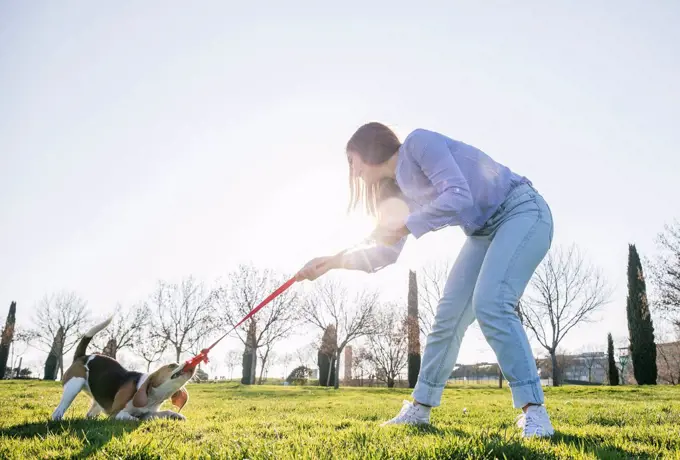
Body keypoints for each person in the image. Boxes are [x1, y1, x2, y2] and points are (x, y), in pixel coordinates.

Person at [295, 122, 556, 438]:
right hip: (482, 231)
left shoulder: (418, 144)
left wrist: (404, 226)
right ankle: (420, 409)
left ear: (368, 150)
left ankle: (536, 413)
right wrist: (333, 263)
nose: (354, 172)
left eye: (352, 161)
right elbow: (385, 255)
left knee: (491, 303)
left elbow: (458, 195)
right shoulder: (398, 192)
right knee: (448, 317)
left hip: (521, 210)